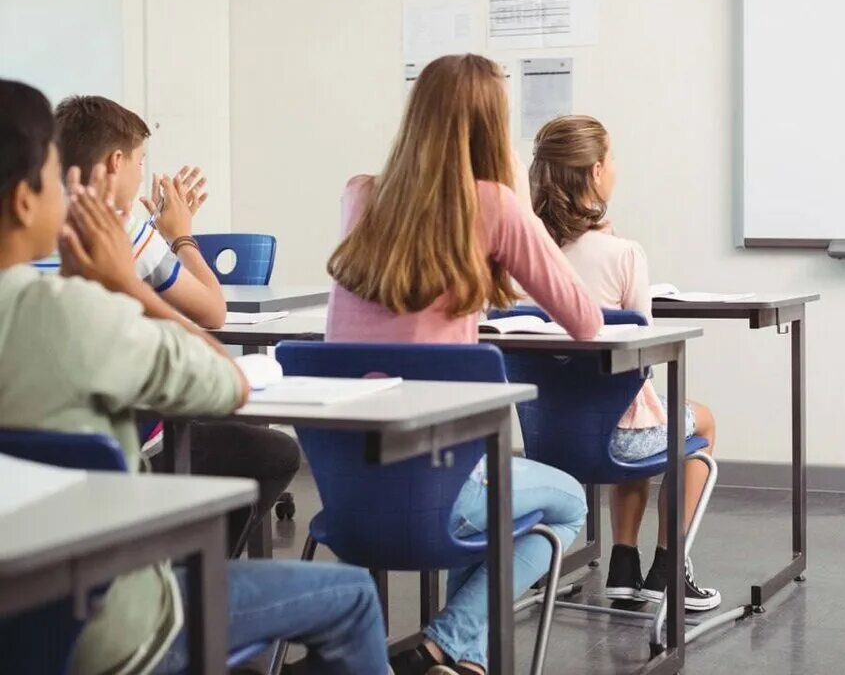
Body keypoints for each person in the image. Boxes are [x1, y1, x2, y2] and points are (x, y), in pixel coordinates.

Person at [0, 77, 389, 675]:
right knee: (355, 595)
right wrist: (121, 285)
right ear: (27, 200)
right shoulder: (81, 309)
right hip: (103, 629)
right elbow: (226, 376)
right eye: (55, 175)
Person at [325, 54, 603, 674]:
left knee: (493, 487)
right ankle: (446, 644)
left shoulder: (359, 194)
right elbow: (584, 318)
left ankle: (459, 658)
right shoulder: (495, 205)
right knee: (566, 503)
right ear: (490, 126)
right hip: (443, 490)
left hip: (347, 494)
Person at [53, 94, 301, 554]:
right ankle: (199, 578)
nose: (141, 174)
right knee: (271, 449)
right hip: (128, 441)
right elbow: (212, 312)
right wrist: (180, 234)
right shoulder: (120, 227)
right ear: (115, 161)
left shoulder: (38, 222)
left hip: (49, 452)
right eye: (141, 162)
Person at [529, 114, 721, 611]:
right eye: (611, 159)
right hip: (615, 442)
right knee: (693, 418)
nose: (615, 168)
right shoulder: (622, 254)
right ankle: (667, 566)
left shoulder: (519, 253)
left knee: (638, 404)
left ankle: (621, 563)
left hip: (545, 437)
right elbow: (641, 349)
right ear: (595, 171)